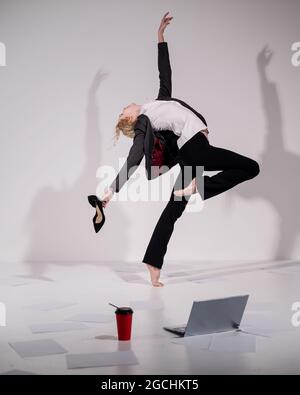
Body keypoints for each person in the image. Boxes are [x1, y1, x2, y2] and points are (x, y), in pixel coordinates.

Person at [99, 12, 260, 287]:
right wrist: (112, 190)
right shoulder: (144, 123)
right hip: (194, 148)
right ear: (128, 119)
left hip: (192, 153)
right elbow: (135, 157)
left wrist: (160, 38)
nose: (125, 105)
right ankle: (202, 187)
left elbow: (165, 73)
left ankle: (152, 261)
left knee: (174, 207)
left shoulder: (156, 103)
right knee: (251, 167)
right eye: (122, 110)